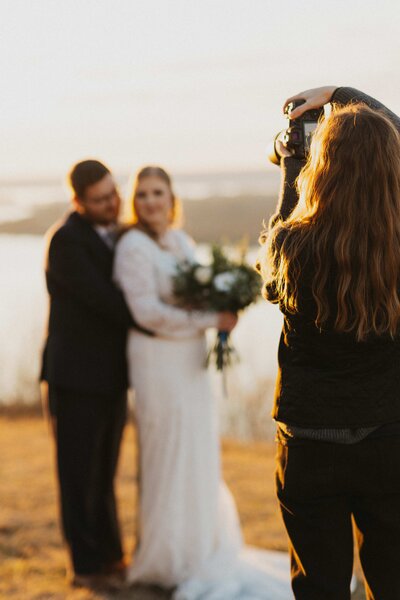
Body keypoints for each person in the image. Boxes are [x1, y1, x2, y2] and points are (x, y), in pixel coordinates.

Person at [113, 166, 293, 599]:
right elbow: (147, 313)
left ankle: (196, 545)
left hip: (190, 362)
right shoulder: (132, 247)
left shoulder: (181, 241)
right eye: (142, 195)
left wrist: (227, 297)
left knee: (196, 449)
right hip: (156, 361)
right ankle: (165, 556)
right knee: (166, 451)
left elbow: (200, 292)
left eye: (158, 192)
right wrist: (211, 318)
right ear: (133, 202)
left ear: (172, 198)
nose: (150, 201)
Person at [258, 87, 400, 600]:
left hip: (310, 440)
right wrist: (344, 94)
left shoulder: (293, 245)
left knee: (318, 585)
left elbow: (272, 277)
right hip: (390, 435)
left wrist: (291, 167)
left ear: (321, 167)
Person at [41, 159, 145, 591]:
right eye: (101, 200)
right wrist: (159, 310)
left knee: (104, 472)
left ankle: (110, 555)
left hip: (110, 378)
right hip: (75, 378)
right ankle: (85, 566)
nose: (111, 204)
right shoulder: (66, 241)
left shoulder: (118, 235)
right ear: (79, 202)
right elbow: (106, 302)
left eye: (113, 195)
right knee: (78, 474)